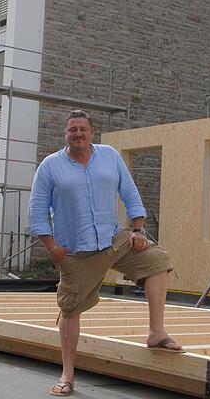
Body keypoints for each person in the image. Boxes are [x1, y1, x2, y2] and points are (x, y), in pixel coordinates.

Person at [28, 110, 183, 397]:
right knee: (71, 308)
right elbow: (37, 211)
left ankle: (156, 333)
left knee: (157, 260)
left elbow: (130, 191)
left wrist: (138, 230)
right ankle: (68, 373)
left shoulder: (110, 156)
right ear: (66, 134)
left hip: (115, 241)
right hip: (78, 252)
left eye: (83, 129)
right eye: (72, 129)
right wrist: (51, 247)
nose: (78, 134)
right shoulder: (50, 167)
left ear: (91, 131)